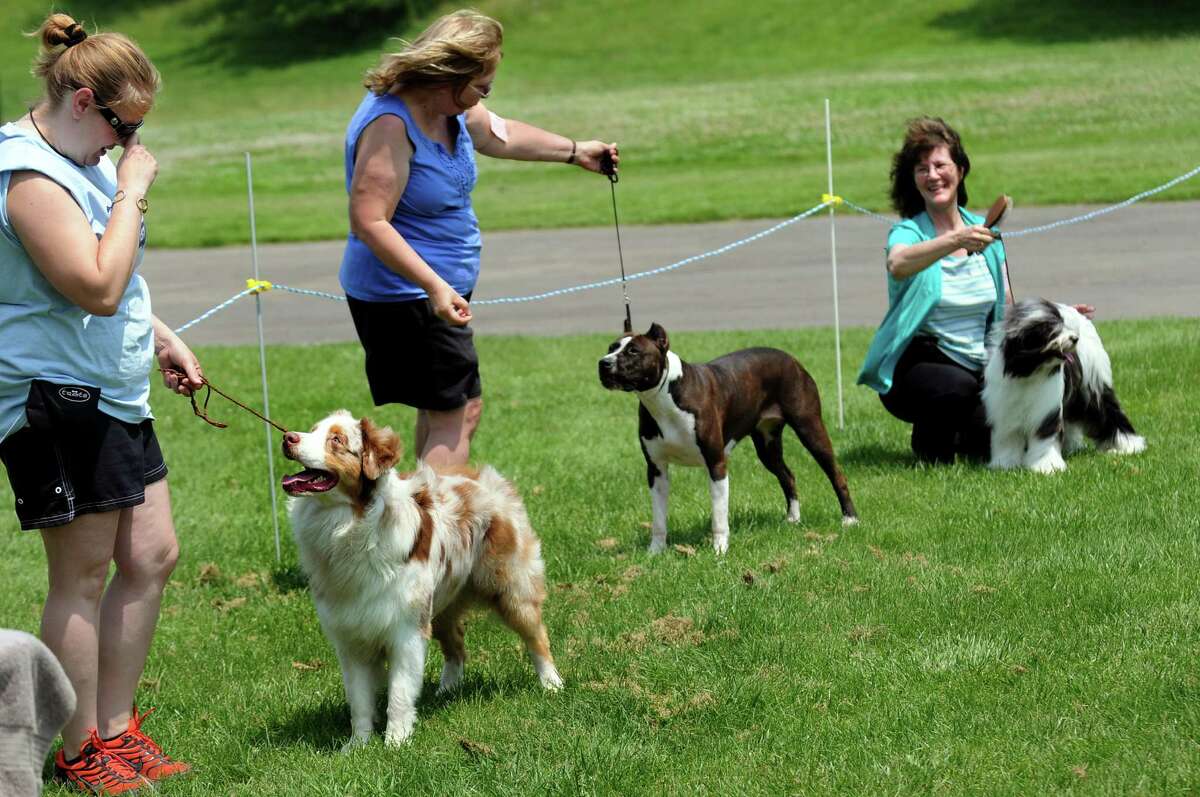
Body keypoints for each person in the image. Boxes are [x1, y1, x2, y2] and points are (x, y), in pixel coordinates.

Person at [0, 14, 201, 793]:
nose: (130, 146)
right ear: (84, 101)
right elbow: (93, 282)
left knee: (152, 553)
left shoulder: (80, 158)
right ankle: (79, 746)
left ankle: (117, 728)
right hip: (54, 397)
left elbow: (107, 288)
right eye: (127, 128)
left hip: (114, 386)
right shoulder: (26, 175)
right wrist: (135, 192)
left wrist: (159, 335)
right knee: (80, 575)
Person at [339, 9, 619, 467]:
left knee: (445, 408)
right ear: (449, 75)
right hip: (407, 293)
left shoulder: (450, 109)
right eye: (481, 86)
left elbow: (500, 135)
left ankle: (416, 528)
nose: (483, 97)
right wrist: (434, 287)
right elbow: (369, 221)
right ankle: (433, 536)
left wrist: (574, 151)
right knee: (460, 411)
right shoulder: (391, 124)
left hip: (432, 290)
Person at [857, 117, 1094, 464]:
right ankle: (928, 448)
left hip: (979, 364)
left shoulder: (986, 236)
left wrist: (1057, 316)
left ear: (961, 170)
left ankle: (959, 434)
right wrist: (954, 239)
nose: (932, 175)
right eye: (922, 169)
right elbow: (898, 263)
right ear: (913, 179)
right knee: (957, 390)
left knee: (988, 435)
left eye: (940, 165)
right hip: (918, 364)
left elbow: (1009, 308)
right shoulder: (909, 232)